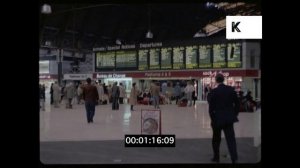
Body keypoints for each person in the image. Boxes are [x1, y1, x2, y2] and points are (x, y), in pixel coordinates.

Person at [207, 73, 240, 164]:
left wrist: (212, 119)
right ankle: (234, 158)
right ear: (223, 80)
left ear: (216, 80)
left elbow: (211, 108)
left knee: (216, 139)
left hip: (217, 119)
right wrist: (234, 114)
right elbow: (237, 104)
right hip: (229, 119)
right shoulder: (231, 90)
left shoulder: (213, 92)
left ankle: (216, 157)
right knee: (231, 139)